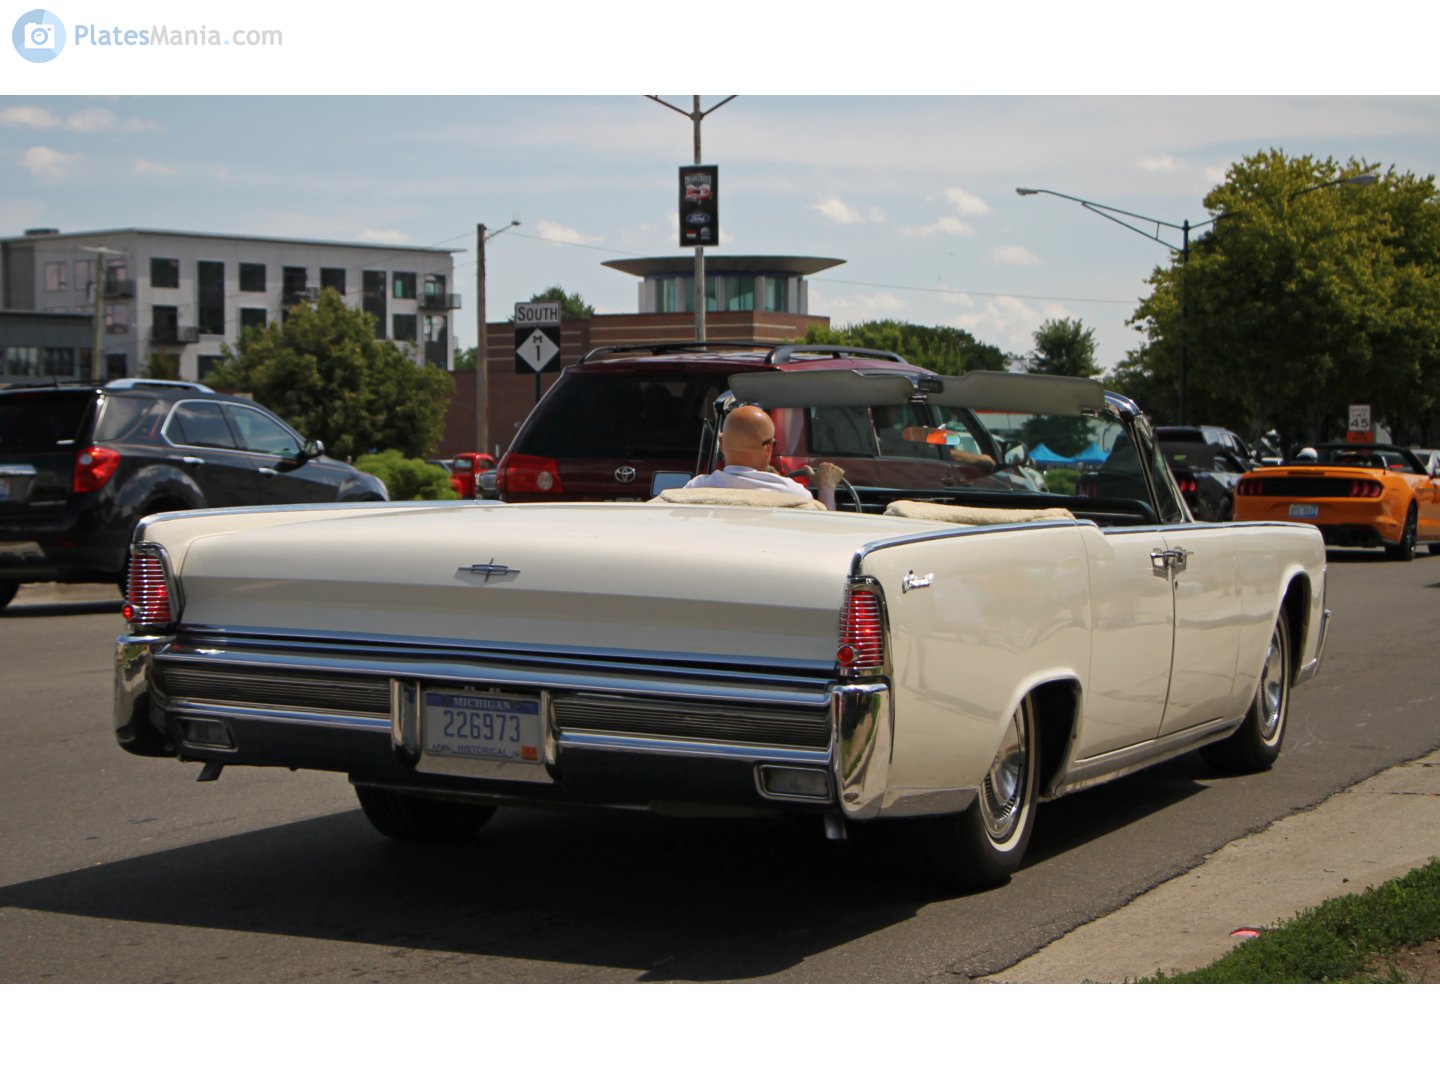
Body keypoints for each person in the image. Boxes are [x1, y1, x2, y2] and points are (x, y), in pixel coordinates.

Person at [684, 405, 845, 510]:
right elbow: (824, 535)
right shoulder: (793, 495)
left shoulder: (693, 489)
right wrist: (826, 487)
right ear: (768, 448)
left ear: (721, 442)